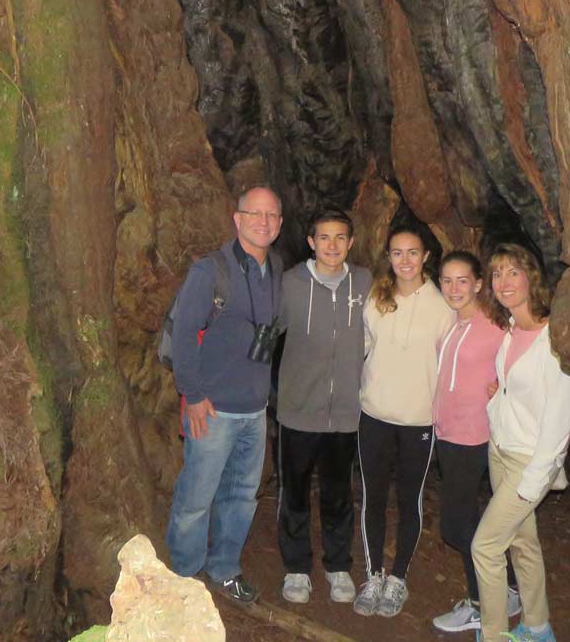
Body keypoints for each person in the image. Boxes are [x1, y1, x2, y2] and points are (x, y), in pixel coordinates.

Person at [166, 186, 284, 604]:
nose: (263, 222)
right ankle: (183, 577)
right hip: (211, 409)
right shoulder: (209, 271)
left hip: (254, 411)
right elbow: (182, 335)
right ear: (237, 219)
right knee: (196, 498)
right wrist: (193, 395)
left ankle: (225, 567)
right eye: (255, 214)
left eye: (272, 216)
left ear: (280, 224)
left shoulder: (276, 271)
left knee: (240, 498)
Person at [471, 244, 570, 642]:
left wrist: (536, 481)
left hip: (528, 462)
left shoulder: (555, 341)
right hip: (500, 451)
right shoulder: (512, 330)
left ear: (531, 277)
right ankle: (537, 626)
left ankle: (494, 634)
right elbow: (515, 389)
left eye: (513, 272)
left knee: (485, 546)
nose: (504, 282)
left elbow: (558, 425)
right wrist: (498, 401)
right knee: (523, 543)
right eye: (497, 274)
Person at [354, 225, 455, 618]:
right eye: (397, 253)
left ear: (426, 256)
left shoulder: (443, 305)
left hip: (419, 420)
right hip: (375, 413)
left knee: (409, 499)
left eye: (413, 252)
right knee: (373, 497)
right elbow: (360, 349)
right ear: (389, 257)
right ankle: (373, 574)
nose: (405, 261)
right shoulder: (376, 299)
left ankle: (397, 578)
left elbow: (455, 360)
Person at [275, 207, 371, 605]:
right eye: (324, 238)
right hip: (298, 409)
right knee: (294, 492)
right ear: (311, 242)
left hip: (346, 413)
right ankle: (297, 569)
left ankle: (337, 567)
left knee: (339, 495)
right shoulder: (289, 284)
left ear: (350, 243)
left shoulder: (365, 283)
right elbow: (263, 331)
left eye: (340, 238)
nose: (332, 245)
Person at [430, 251, 520, 634]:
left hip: (474, 435)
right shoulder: (452, 321)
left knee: (458, 523)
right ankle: (508, 588)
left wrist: (507, 388)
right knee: (468, 518)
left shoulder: (496, 325)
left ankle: (482, 603)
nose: (453, 288)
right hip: (447, 431)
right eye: (447, 280)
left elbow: (524, 363)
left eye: (462, 280)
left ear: (479, 283)